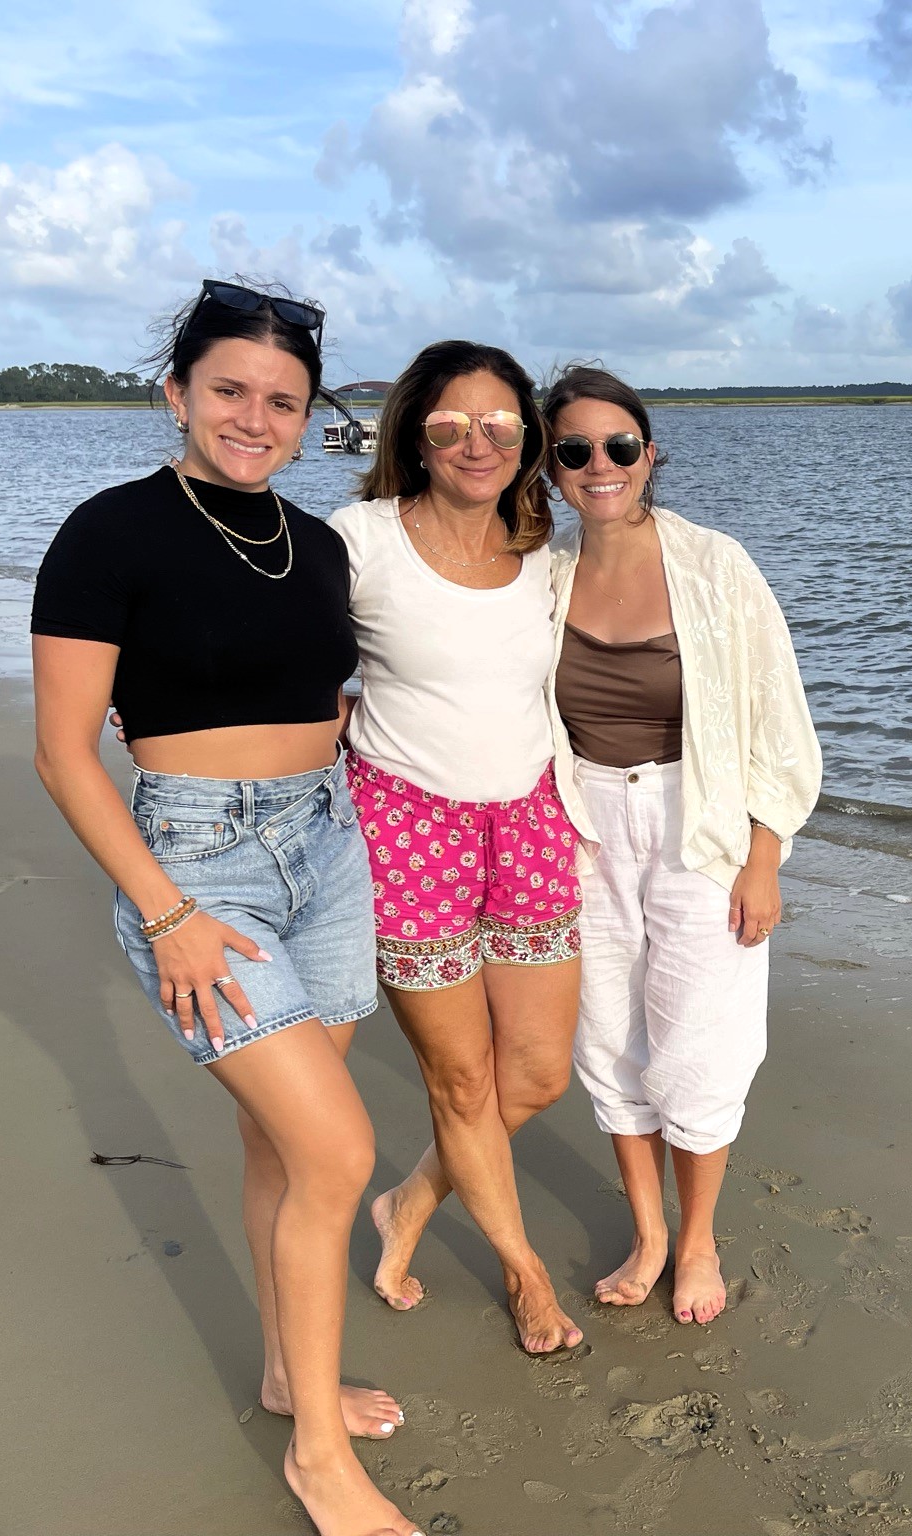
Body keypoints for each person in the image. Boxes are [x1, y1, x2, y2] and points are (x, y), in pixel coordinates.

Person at [31, 279, 419, 1536]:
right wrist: (166, 914)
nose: (256, 418)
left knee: (281, 1149)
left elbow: (333, 701)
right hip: (201, 870)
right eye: (230, 391)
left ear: (310, 419)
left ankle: (279, 1372)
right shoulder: (108, 533)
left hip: (329, 844)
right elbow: (64, 753)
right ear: (177, 393)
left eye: (283, 402)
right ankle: (317, 1456)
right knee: (339, 1152)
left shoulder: (316, 544)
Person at [541, 365, 821, 1325]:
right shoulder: (539, 573)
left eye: (620, 446)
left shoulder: (716, 566)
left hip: (697, 825)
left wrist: (765, 856)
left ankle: (697, 1239)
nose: (600, 465)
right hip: (578, 827)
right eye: (574, 450)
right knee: (609, 1040)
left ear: (650, 455)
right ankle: (649, 1232)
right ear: (550, 466)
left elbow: (778, 721)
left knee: (701, 1044)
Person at [331, 341, 585, 1355]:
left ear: (525, 440)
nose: (474, 443)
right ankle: (524, 1276)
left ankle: (408, 1203)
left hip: (529, 818)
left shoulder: (542, 553)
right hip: (407, 822)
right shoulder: (360, 539)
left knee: (534, 1074)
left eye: (498, 425)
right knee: (462, 1082)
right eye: (449, 424)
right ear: (413, 434)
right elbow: (265, 637)